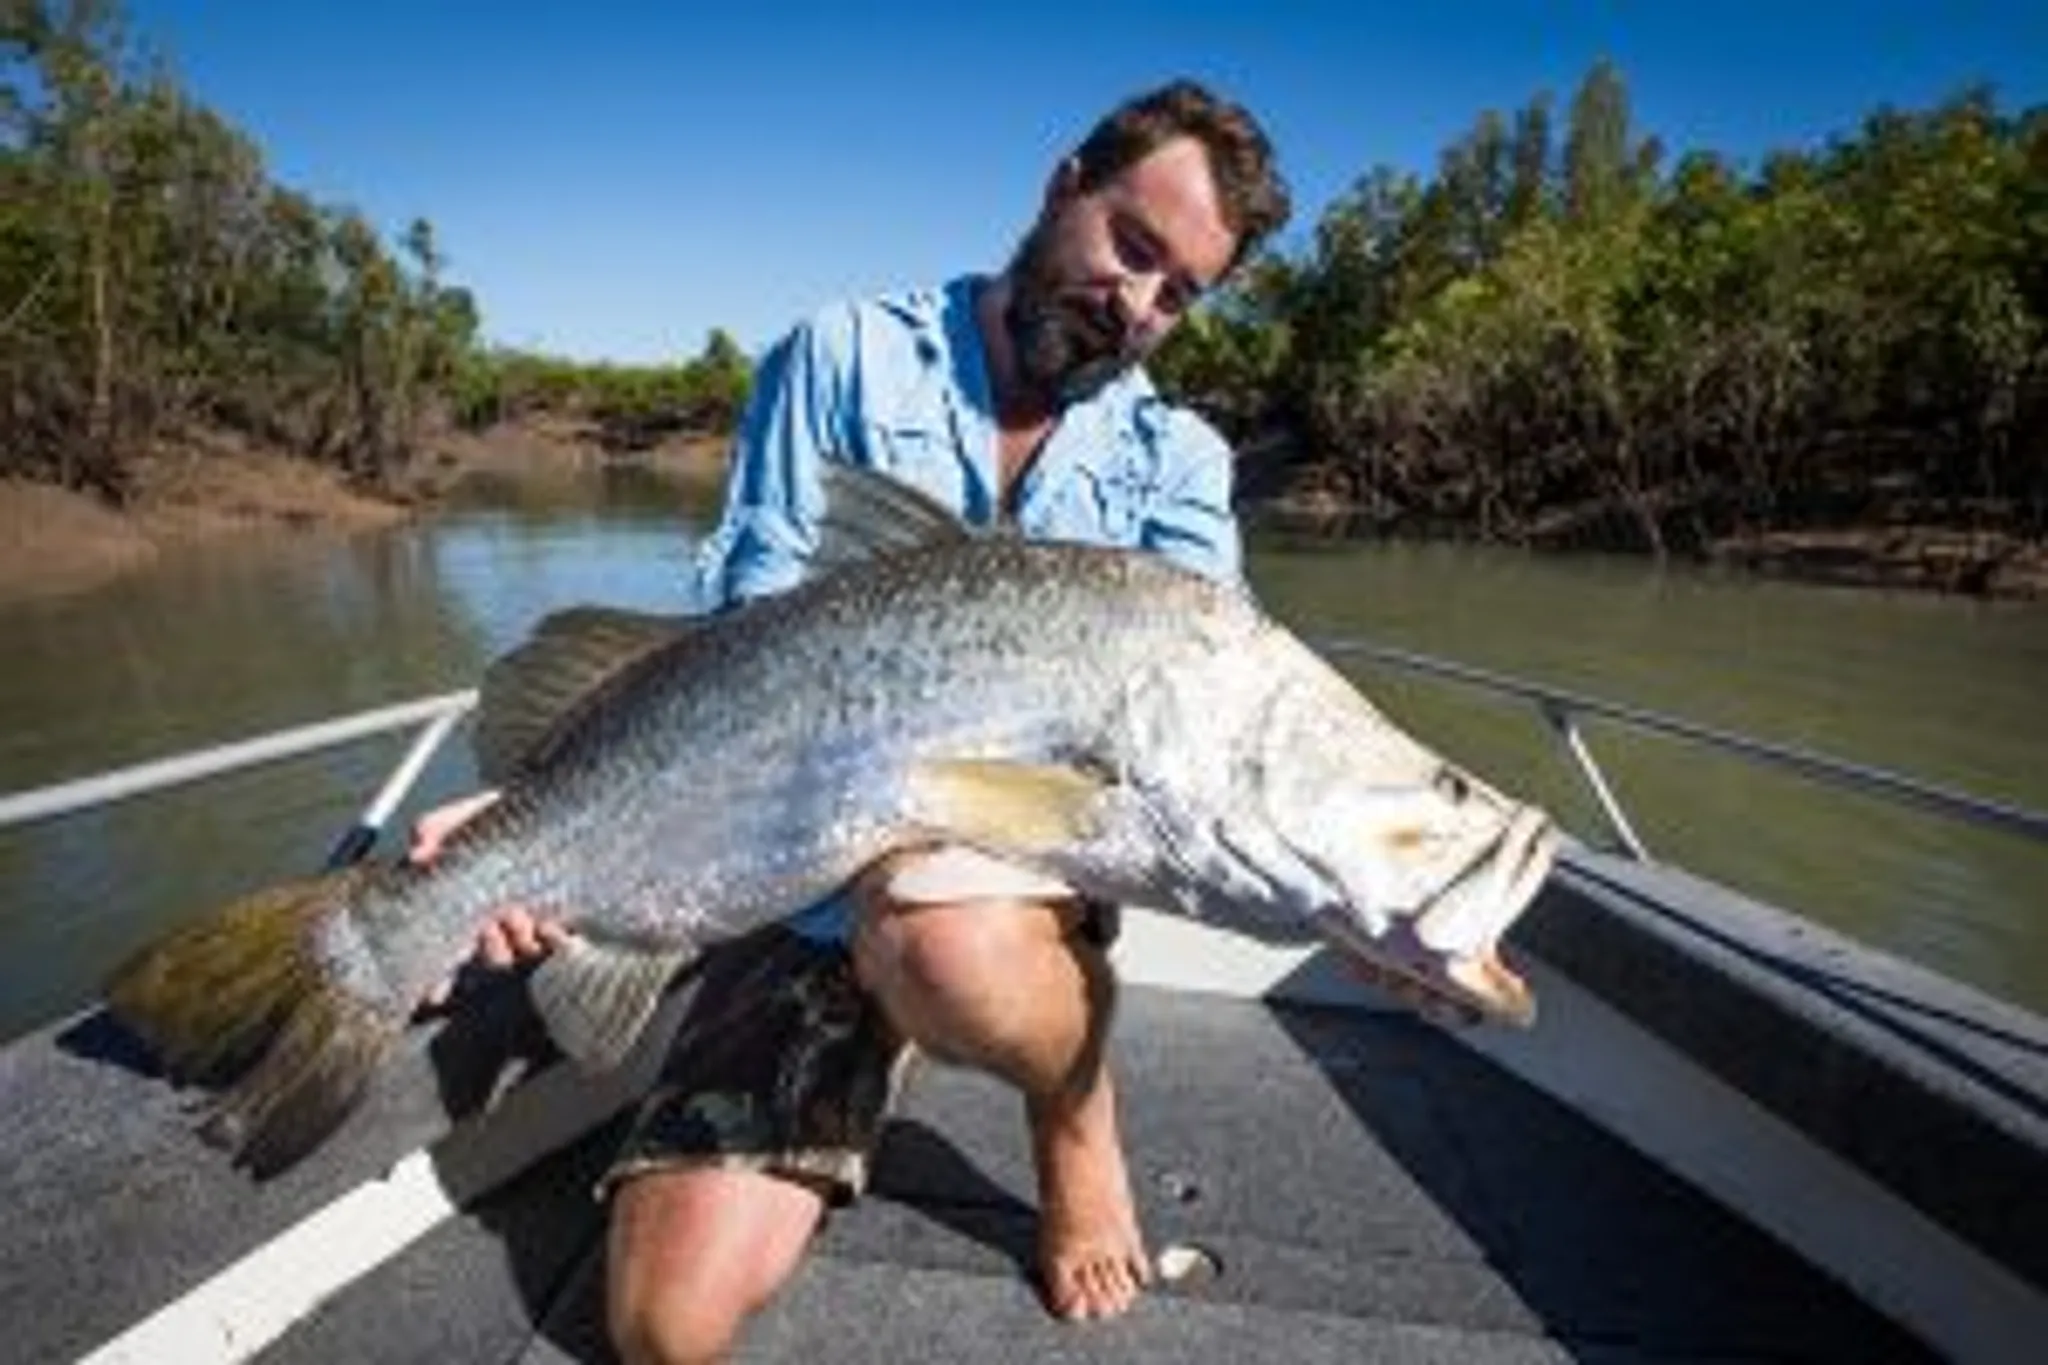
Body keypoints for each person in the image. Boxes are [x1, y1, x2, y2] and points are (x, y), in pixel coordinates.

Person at [411, 79, 1291, 1364]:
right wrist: (547, 806)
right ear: (1064, 184)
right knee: (663, 1327)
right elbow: (748, 652)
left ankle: (1071, 1109)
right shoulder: (842, 356)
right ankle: (880, 1023)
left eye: (1178, 294)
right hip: (791, 875)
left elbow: (1214, 718)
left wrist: (1366, 906)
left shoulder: (1182, 464)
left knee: (944, 933)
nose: (1137, 303)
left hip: (1014, 887)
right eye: (1131, 244)